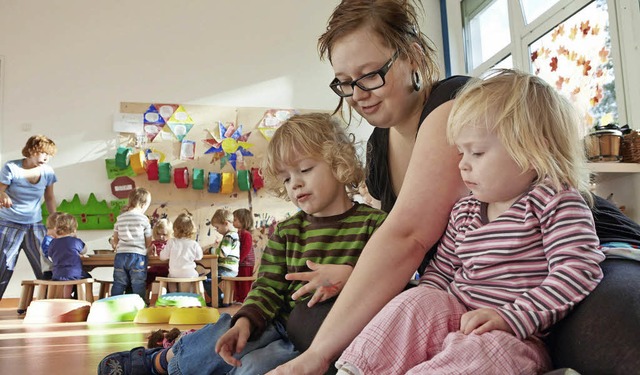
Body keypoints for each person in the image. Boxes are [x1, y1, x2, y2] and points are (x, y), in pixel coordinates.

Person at [270, 1, 640, 374]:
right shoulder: (385, 152)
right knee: (319, 315)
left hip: (590, 261)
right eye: (345, 82)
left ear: (412, 56)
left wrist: (318, 354)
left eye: (369, 75)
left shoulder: (462, 109)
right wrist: (367, 283)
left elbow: (409, 236)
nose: (358, 94)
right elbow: (433, 267)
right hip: (469, 302)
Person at [335, 69, 606, 374]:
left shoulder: (555, 201)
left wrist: (512, 317)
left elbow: (578, 269)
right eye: (461, 151)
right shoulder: (465, 210)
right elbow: (441, 271)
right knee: (418, 300)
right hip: (456, 318)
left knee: (484, 353)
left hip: (515, 336)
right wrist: (422, 309)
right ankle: (357, 370)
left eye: (476, 152)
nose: (462, 164)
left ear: (531, 152)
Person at [97, 112, 387, 375]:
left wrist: (351, 277)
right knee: (227, 331)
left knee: (251, 367)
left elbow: (402, 281)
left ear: (339, 162)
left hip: (328, 347)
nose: (294, 184)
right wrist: (247, 322)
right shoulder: (288, 231)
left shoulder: (376, 225)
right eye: (286, 178)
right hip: (279, 324)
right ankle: (159, 362)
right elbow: (267, 289)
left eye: (305, 170)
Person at [0, 135, 58, 300]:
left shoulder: (47, 171)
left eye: (49, 155)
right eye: (42, 153)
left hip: (34, 224)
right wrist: (2, 195)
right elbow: (0, 190)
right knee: (4, 266)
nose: (46, 158)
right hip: (8, 223)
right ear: (32, 151)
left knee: (46, 265)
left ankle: (52, 303)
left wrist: (55, 220)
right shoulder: (12, 168)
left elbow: (49, 197)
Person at [110, 187, 152, 302]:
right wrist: (149, 248)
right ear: (143, 205)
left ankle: (112, 304)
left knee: (119, 282)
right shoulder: (144, 219)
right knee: (138, 283)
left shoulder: (120, 218)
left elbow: (115, 239)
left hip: (121, 255)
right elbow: (148, 242)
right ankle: (140, 305)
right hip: (137, 256)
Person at [47, 212, 91, 298]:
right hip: (74, 273)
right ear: (74, 229)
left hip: (57, 274)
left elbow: (50, 257)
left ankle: (66, 298)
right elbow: (84, 250)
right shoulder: (75, 241)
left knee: (68, 279)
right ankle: (79, 298)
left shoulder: (53, 242)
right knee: (86, 276)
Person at [204, 208, 240, 306]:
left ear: (225, 223)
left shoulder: (229, 236)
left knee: (206, 280)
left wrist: (210, 250)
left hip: (226, 268)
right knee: (209, 279)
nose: (217, 230)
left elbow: (223, 253)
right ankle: (220, 299)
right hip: (230, 268)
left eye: (217, 227)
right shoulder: (232, 235)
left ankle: (219, 299)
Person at [159, 213, 203, 279]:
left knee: (170, 278)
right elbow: (199, 257)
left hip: (174, 274)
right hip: (189, 275)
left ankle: (173, 290)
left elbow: (162, 257)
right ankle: (192, 289)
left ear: (175, 229)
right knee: (195, 276)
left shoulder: (171, 242)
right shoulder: (194, 244)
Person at [232, 208, 255, 302]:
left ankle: (244, 300)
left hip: (246, 263)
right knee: (237, 282)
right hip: (239, 263)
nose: (233, 222)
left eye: (235, 220)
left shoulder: (246, 234)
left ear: (243, 220)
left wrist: (238, 260)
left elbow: (245, 249)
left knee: (244, 284)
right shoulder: (238, 233)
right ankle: (239, 300)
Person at [146, 218, 172, 292]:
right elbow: (147, 255)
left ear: (169, 234)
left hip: (167, 270)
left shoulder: (170, 243)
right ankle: (144, 297)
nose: (161, 237)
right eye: (158, 234)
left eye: (164, 234)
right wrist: (150, 253)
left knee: (171, 280)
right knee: (143, 278)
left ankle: (170, 297)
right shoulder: (152, 243)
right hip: (154, 269)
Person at [41, 211, 64, 280]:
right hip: (50, 272)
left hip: (58, 271)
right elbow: (49, 255)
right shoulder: (48, 241)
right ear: (56, 228)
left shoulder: (55, 239)